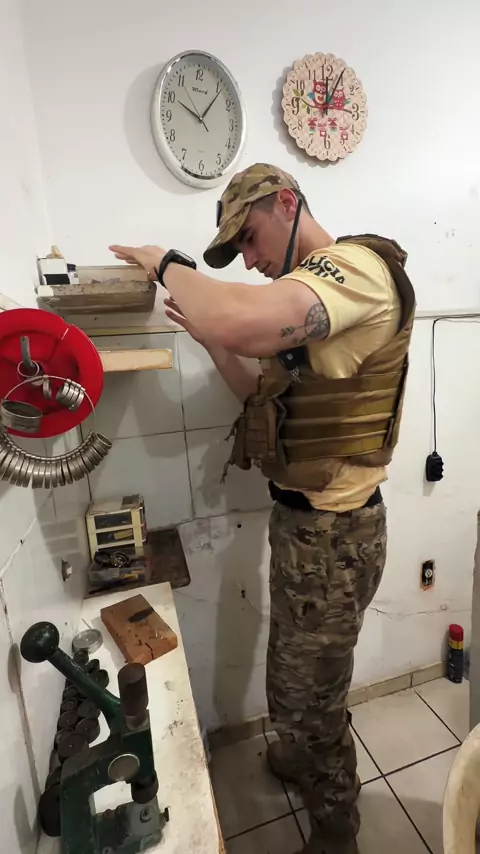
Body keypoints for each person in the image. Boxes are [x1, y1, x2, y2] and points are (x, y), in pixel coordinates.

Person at [110, 162, 416, 854]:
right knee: (295, 674)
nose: (248, 260)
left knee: (313, 697)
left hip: (337, 535)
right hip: (307, 531)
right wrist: (214, 339)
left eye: (248, 238)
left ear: (286, 202)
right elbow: (257, 392)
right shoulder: (303, 306)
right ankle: (301, 752)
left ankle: (336, 828)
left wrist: (167, 264)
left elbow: (235, 316)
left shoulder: (353, 271)